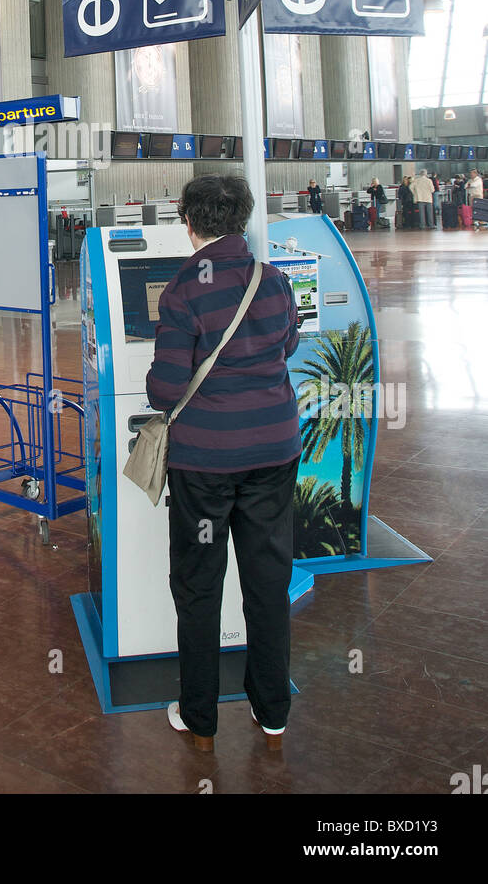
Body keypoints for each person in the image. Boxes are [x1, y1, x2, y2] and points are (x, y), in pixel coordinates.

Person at [146, 175, 301, 752]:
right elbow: (286, 345)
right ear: (242, 218)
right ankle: (272, 710)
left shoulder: (183, 288)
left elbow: (166, 389)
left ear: (189, 222)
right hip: (273, 452)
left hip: (206, 464)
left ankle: (200, 715)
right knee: (267, 580)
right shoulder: (274, 279)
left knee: (199, 582)